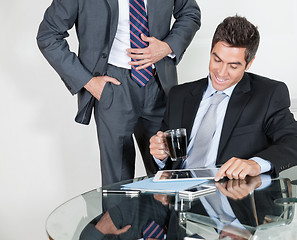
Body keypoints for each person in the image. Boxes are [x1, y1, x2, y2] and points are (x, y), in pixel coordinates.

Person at [36, 0, 201, 185]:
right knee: (119, 183)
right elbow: (48, 35)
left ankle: (166, 214)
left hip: (159, 84)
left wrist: (167, 46)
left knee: (170, 175)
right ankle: (119, 214)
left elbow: (190, 13)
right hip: (112, 87)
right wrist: (88, 82)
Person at [149, 15, 297, 181]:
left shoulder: (268, 94)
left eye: (233, 66)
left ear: (249, 64)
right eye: (217, 59)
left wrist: (255, 164)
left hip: (229, 195)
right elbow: (169, 164)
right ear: (211, 52)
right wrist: (160, 156)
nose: (221, 72)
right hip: (179, 196)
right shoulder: (179, 95)